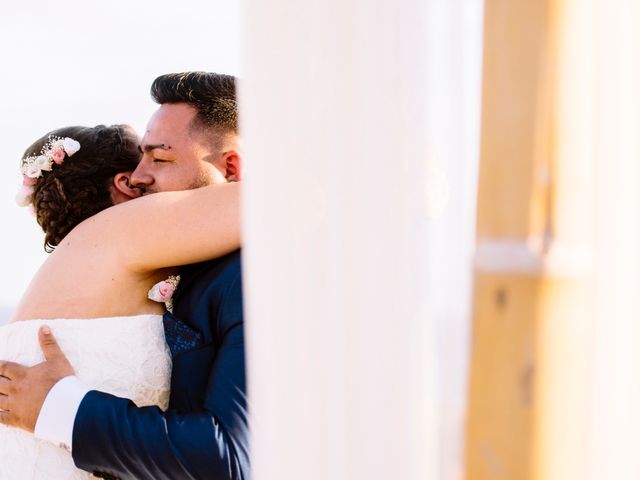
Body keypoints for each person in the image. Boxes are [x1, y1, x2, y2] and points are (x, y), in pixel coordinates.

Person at [0, 72, 249, 480]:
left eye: (159, 157)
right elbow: (299, 198)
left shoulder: (120, 268)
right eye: (139, 157)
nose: (138, 177)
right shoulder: (121, 232)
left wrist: (61, 406)